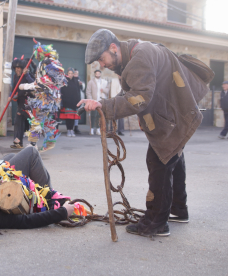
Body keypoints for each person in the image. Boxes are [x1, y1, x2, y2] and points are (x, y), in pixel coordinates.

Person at [79, 29, 212, 237]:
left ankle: (155, 222)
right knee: (172, 157)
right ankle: (178, 209)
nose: (102, 65)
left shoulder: (139, 57)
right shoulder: (135, 52)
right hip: (179, 113)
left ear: (113, 48)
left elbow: (139, 97)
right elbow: (133, 89)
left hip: (176, 116)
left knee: (159, 160)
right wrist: (108, 105)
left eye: (101, 59)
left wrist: (102, 105)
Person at [9, 57, 35, 149]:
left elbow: (34, 84)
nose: (17, 70)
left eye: (19, 68)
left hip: (29, 103)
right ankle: (18, 142)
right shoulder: (15, 77)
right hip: (20, 103)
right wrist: (10, 95)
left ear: (23, 68)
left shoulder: (28, 75)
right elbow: (14, 88)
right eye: (16, 69)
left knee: (33, 124)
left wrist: (26, 74)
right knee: (17, 122)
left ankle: (33, 144)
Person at [86, 70, 109, 135]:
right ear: (95, 74)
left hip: (101, 101)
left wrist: (103, 90)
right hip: (94, 101)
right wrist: (90, 100)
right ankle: (92, 129)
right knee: (93, 115)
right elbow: (88, 91)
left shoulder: (104, 82)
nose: (98, 74)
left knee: (100, 115)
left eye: (99, 73)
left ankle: (98, 129)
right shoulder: (91, 82)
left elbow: (107, 90)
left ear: (100, 74)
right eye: (97, 73)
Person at [60, 68, 81, 137]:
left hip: (74, 102)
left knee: (73, 117)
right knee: (68, 117)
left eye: (72, 73)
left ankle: (72, 130)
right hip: (67, 102)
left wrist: (79, 100)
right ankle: (68, 130)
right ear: (67, 74)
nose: (70, 75)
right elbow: (62, 91)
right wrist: (63, 100)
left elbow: (78, 91)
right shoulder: (65, 81)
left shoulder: (76, 81)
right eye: (69, 73)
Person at [73, 69, 85, 135]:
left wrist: (81, 84)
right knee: (72, 114)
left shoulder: (79, 80)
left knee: (77, 113)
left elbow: (82, 88)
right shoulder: (71, 80)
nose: (76, 74)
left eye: (77, 73)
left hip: (78, 99)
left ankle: (76, 126)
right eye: (75, 73)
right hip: (72, 99)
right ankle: (71, 127)